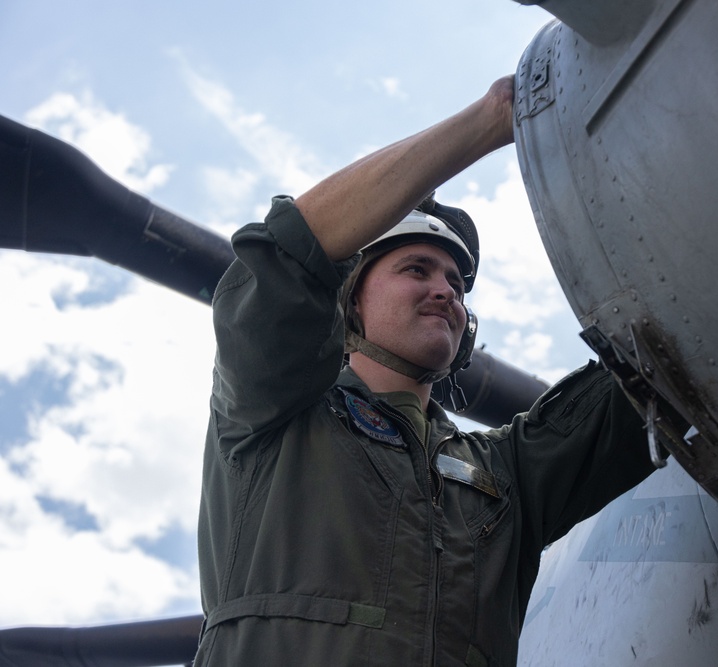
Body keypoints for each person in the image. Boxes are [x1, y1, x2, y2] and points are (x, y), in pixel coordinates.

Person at [195, 76, 655, 666]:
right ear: (351, 301)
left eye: (456, 284)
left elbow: (661, 374)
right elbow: (289, 253)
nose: (445, 292)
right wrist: (496, 117)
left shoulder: (504, 470)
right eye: (416, 269)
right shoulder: (273, 412)